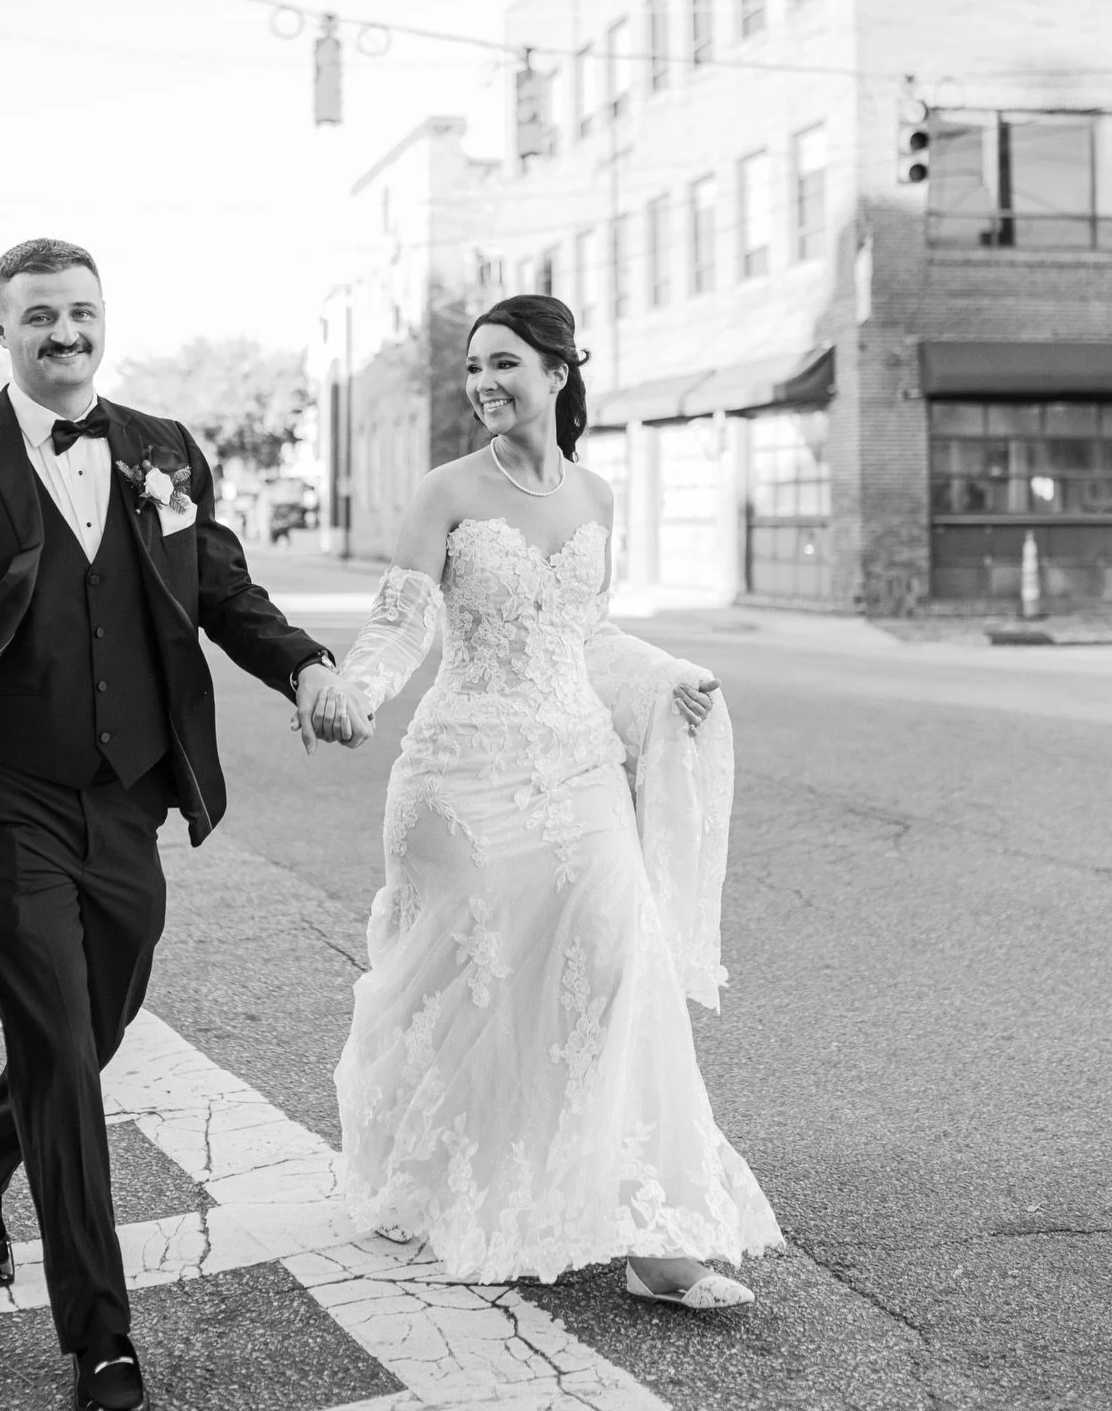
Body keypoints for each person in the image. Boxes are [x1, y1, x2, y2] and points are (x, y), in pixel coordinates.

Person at [0, 239, 372, 1411]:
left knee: (100, 1019)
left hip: (127, 800)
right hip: (5, 802)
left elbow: (222, 590)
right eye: (39, 317)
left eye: (80, 312)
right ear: (2, 332)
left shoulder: (164, 450)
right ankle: (102, 1339)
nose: (64, 334)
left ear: (103, 317)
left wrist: (306, 666)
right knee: (61, 1053)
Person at [331, 295, 782, 1305]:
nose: (484, 383)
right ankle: (463, 1179)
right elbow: (403, 625)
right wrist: (355, 694)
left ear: (558, 371)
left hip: (579, 769)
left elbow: (586, 636)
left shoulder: (599, 497)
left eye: (504, 363)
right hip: (461, 776)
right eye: (474, 367)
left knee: (623, 967)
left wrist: (668, 680)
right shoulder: (447, 489)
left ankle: (657, 1238)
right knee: (475, 988)